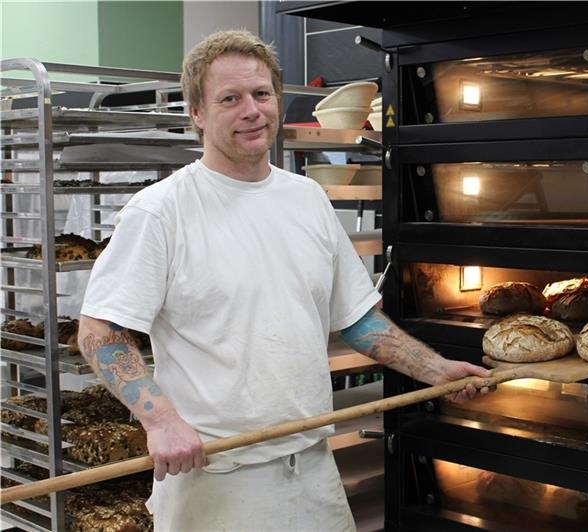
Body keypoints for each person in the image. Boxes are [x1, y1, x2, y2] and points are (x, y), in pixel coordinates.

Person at [77, 29, 492, 531]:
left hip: (311, 464)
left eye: (262, 94)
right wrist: (160, 420)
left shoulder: (308, 199)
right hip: (217, 473)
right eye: (229, 99)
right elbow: (100, 332)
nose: (251, 110)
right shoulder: (161, 212)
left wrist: (434, 369)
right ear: (197, 115)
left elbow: (358, 321)